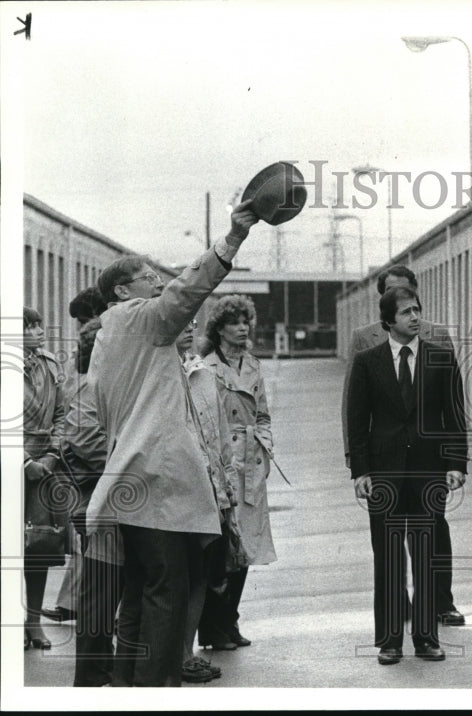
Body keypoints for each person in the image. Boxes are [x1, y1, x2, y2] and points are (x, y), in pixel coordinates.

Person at [86, 201, 259, 686]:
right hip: (159, 484)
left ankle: (126, 687)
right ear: (123, 291)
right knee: (170, 594)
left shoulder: (110, 339)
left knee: (139, 594)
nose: (158, 283)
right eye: (148, 277)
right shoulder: (138, 318)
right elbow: (187, 291)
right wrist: (233, 238)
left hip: (127, 483)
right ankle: (158, 690)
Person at [347, 286, 468, 665]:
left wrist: (456, 464)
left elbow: (455, 416)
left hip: (429, 473)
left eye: (417, 310)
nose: (415, 317)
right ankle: (389, 641)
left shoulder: (441, 358)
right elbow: (357, 419)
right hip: (383, 474)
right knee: (388, 559)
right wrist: (361, 471)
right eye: (406, 312)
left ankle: (427, 638)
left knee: (426, 556)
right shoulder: (368, 362)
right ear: (388, 321)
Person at [198, 295, 275, 651]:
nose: (243, 328)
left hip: (252, 464)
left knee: (245, 547)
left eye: (246, 321)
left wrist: (265, 447)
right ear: (219, 329)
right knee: (221, 550)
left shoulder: (253, 365)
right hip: (221, 464)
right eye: (234, 322)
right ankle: (212, 627)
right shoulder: (204, 368)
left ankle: (230, 621)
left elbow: (262, 414)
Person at [61, 316, 121, 687]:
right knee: (100, 592)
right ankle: (92, 673)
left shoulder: (96, 386)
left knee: (105, 590)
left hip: (105, 499)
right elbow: (87, 441)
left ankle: (100, 666)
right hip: (99, 503)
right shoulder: (87, 389)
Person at [44, 286, 109, 625]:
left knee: (92, 540)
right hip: (88, 463)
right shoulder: (87, 355)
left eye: (85, 320)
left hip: (91, 462)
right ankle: (77, 604)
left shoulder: (97, 353)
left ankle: (76, 604)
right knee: (91, 539)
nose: (80, 328)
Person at [178, 319, 236, 682]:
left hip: (209, 489)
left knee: (200, 573)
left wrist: (225, 489)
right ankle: (169, 653)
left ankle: (186, 651)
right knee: (174, 575)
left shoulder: (203, 374)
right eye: (182, 322)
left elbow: (221, 438)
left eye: (193, 324)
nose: (189, 329)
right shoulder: (156, 373)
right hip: (175, 489)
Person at [22, 307, 67, 651]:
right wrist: (24, 462)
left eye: (39, 324)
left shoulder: (50, 364)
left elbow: (64, 416)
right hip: (13, 460)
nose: (39, 331)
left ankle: (33, 622)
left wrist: (51, 456)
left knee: (39, 547)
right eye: (30, 326)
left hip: (44, 466)